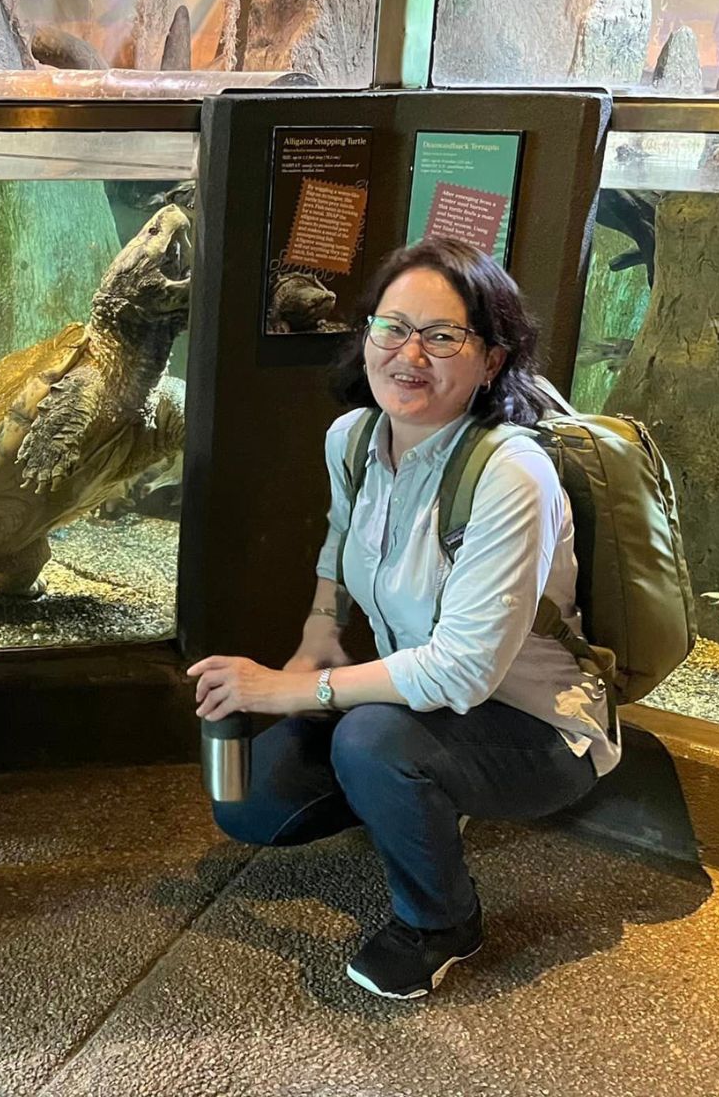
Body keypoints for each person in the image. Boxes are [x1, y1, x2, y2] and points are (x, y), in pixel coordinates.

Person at [189, 238, 619, 1001]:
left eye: (443, 336)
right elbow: (339, 542)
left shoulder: (511, 474)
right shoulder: (353, 440)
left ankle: (441, 921)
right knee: (249, 808)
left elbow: (462, 669)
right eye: (391, 327)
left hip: (537, 725)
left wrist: (282, 693)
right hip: (417, 698)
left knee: (371, 739)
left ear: (491, 359)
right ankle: (416, 798)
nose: (409, 354)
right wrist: (319, 632)